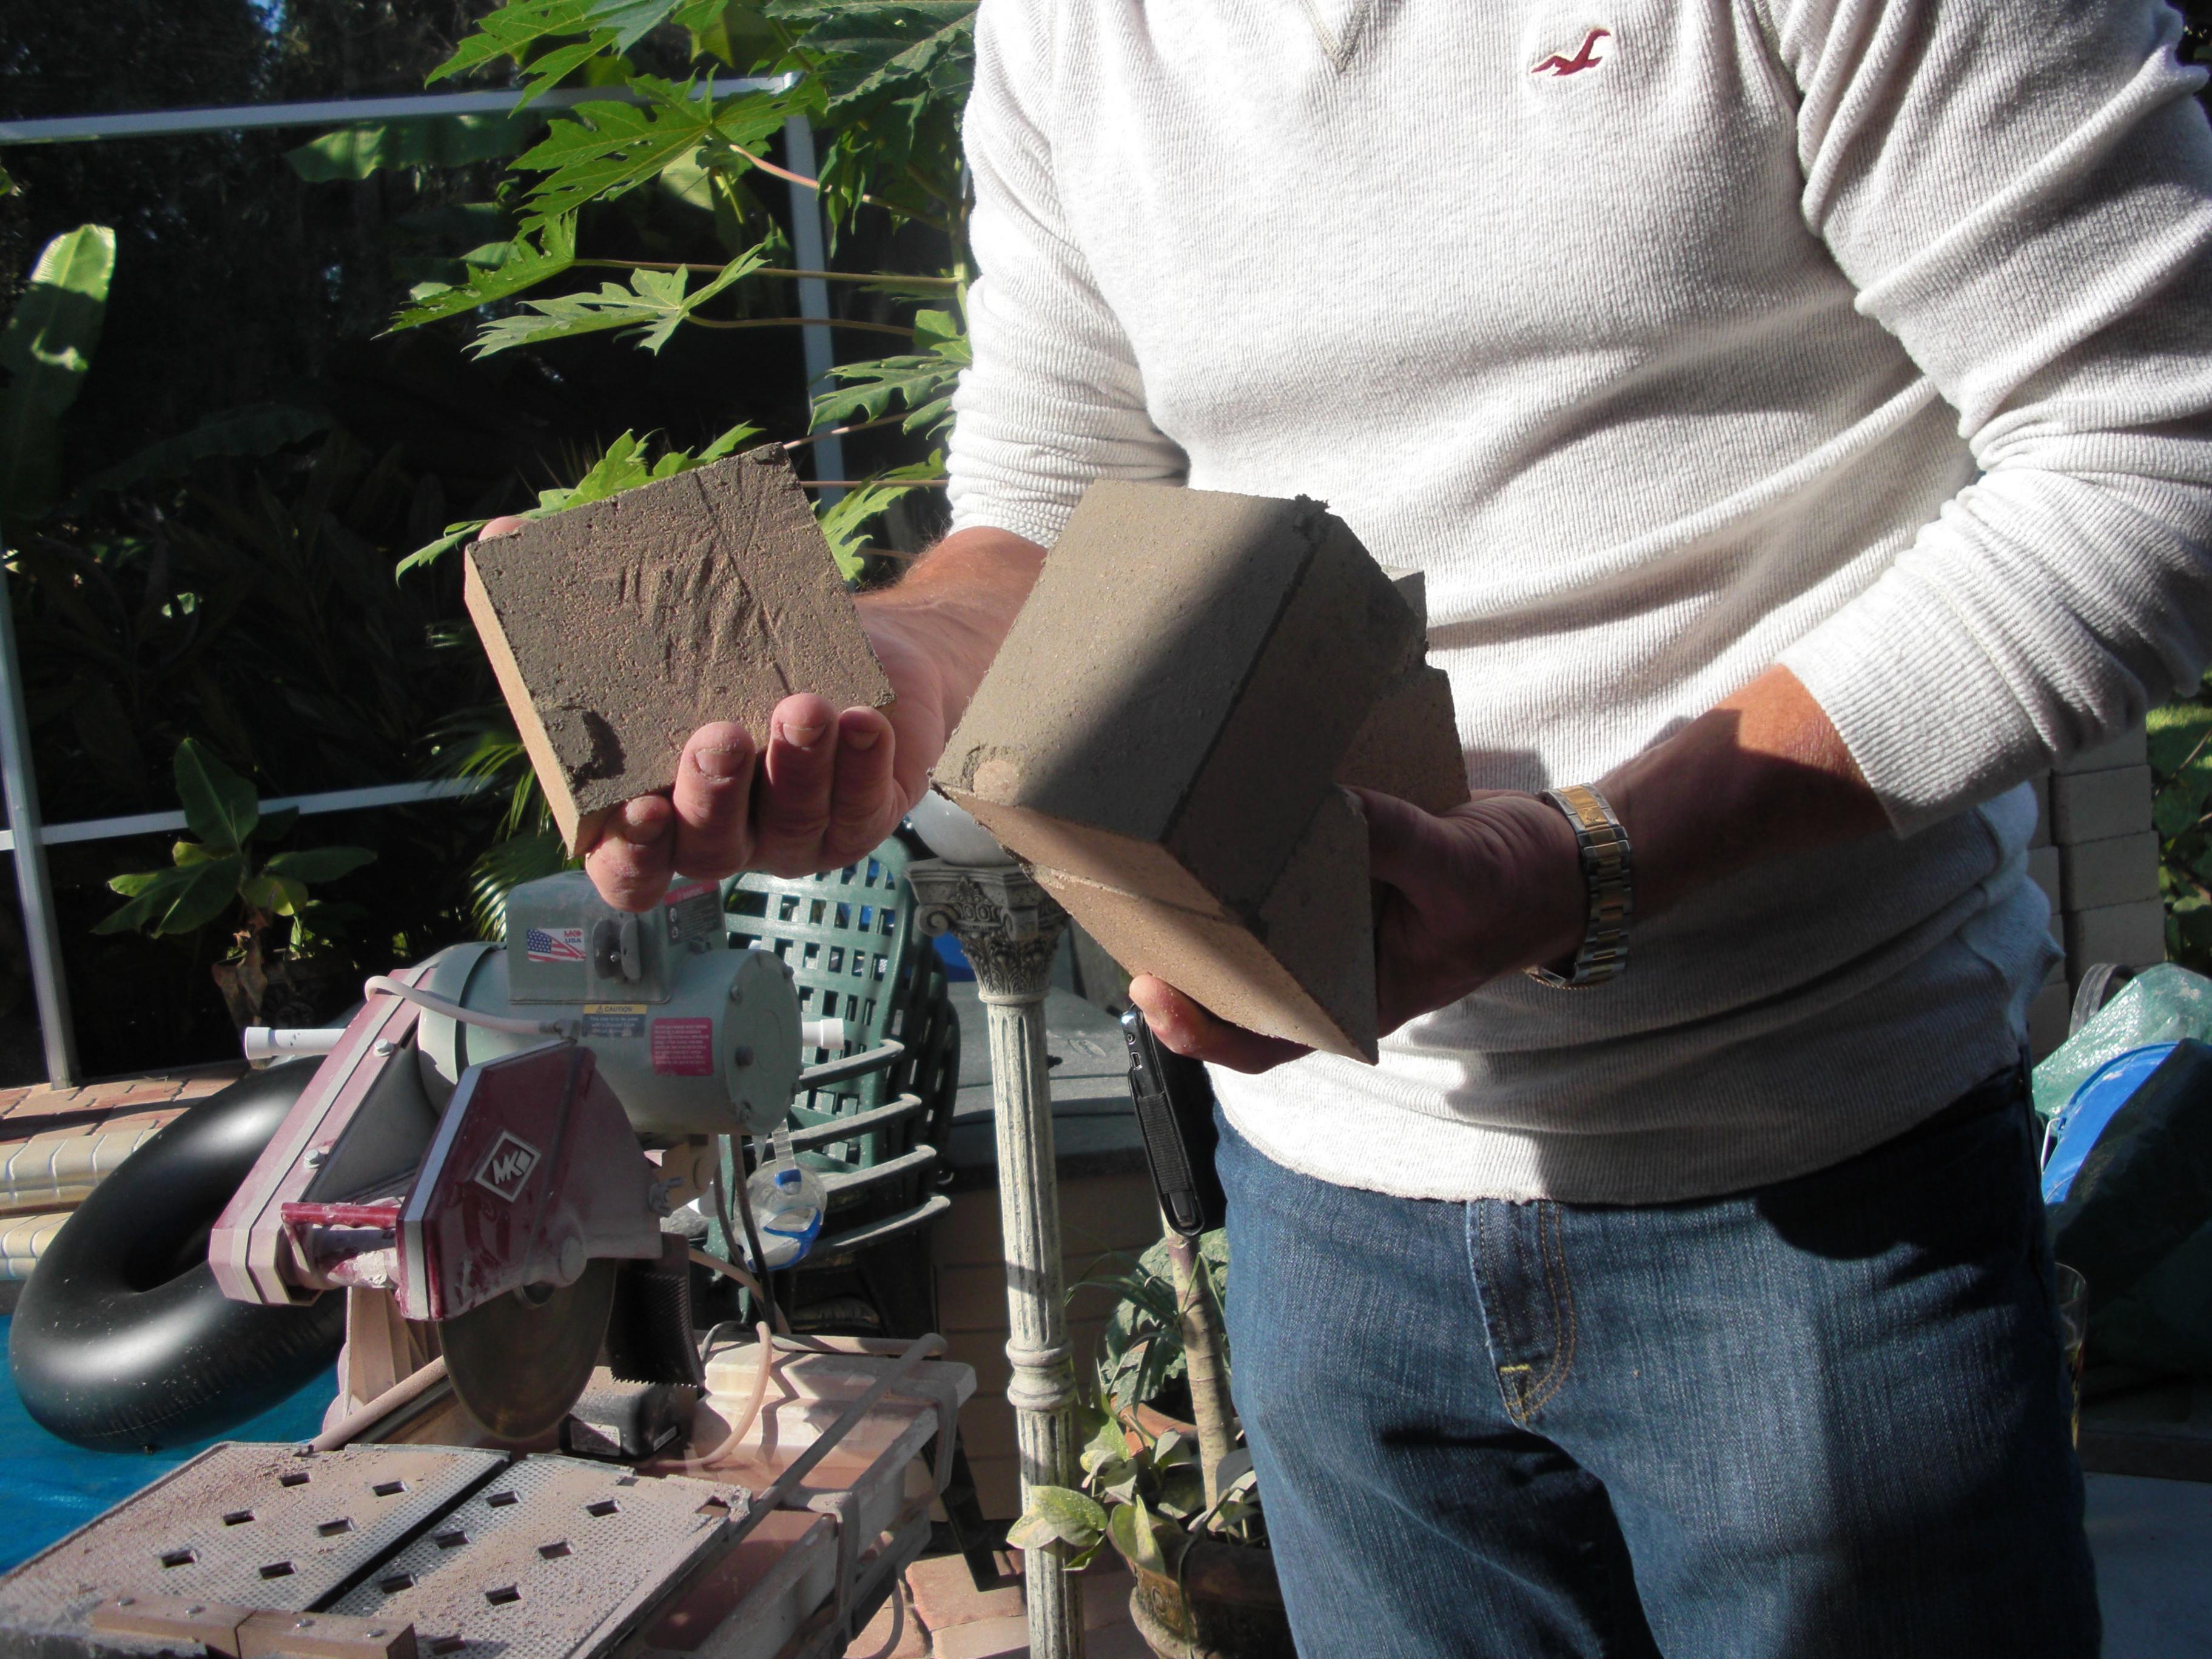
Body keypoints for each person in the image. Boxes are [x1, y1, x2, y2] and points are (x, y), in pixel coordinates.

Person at [489, 0, 2212, 1651]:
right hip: (1325, 1208)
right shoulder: (1074, 22)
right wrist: (901, 668)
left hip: (1815, 1188)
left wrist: (1579, 864)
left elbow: (2157, 458)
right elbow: (1058, 514)